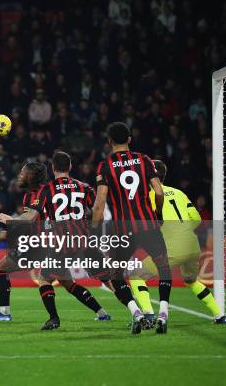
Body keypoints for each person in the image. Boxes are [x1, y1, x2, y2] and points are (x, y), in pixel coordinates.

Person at [0, 162, 109, 330]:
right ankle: (101, 312)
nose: (20, 175)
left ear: (32, 176)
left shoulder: (37, 194)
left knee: (1, 268)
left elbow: (33, 223)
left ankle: (5, 313)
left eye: (23, 173)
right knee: (67, 283)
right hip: (54, 242)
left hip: (40, 243)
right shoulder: (44, 191)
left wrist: (9, 228)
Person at [91, 122, 171, 334]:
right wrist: (159, 214)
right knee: (164, 268)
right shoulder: (144, 160)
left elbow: (100, 203)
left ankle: (136, 312)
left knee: (116, 275)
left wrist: (93, 230)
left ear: (109, 141)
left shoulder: (104, 165)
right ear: (129, 139)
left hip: (123, 230)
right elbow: (159, 192)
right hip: (148, 225)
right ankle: (163, 314)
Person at [129, 160, 226, 324]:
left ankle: (148, 314)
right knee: (191, 280)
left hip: (172, 246)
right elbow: (197, 219)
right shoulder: (179, 193)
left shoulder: (149, 195)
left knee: (136, 276)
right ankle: (220, 316)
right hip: (192, 245)